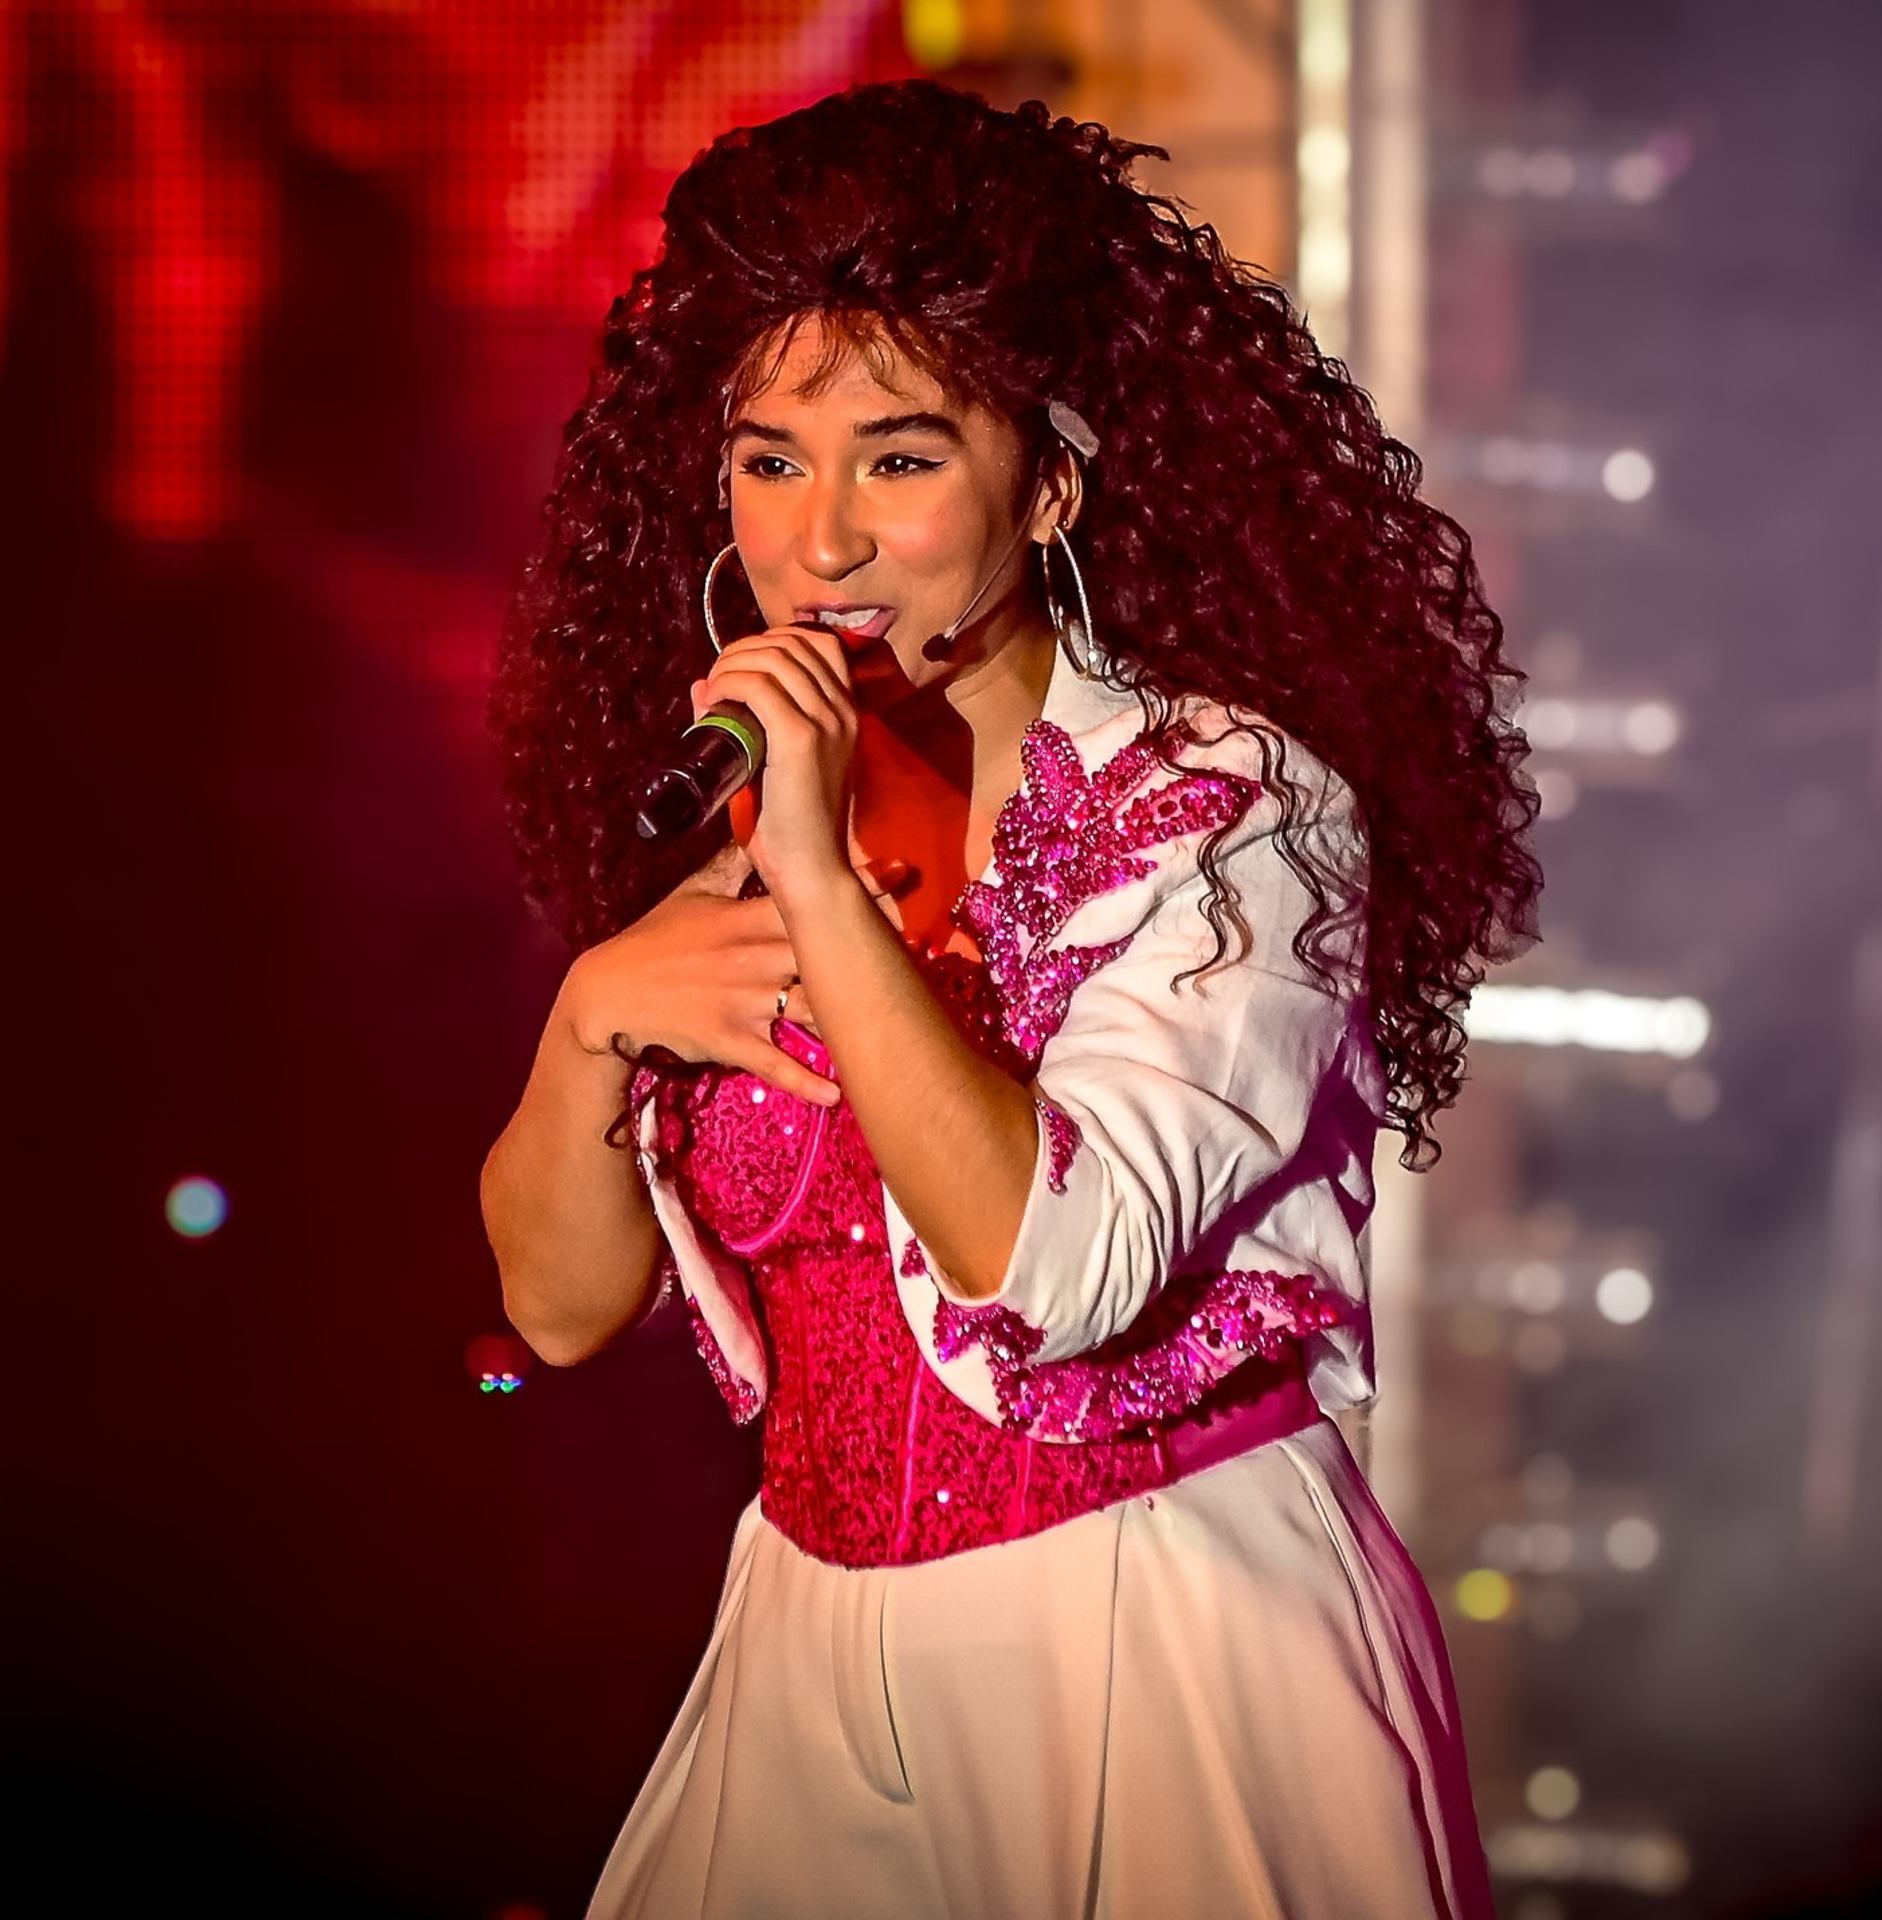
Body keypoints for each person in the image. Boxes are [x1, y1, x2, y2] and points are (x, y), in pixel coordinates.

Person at [481, 77, 1541, 1920]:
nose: (815, 543)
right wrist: (590, 1016)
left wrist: (818, 878)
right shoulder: (738, 830)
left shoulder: (1230, 810)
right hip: (804, 1650)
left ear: (1046, 480)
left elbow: (1056, 1267)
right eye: (767, 460)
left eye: (898, 459)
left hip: (1161, 1628)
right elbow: (559, 1313)